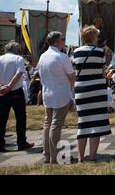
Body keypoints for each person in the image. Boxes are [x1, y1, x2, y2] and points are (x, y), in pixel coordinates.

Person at [73, 25, 111, 163]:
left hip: (81, 89)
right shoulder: (100, 51)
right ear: (94, 37)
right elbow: (103, 72)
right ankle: (93, 156)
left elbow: (75, 71)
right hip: (97, 89)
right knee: (97, 122)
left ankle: (80, 157)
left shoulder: (76, 52)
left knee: (83, 123)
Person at [37, 32, 75, 163]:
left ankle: (47, 154)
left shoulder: (42, 56)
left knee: (48, 123)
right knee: (56, 125)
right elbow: (71, 77)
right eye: (63, 39)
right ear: (57, 41)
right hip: (60, 93)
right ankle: (54, 156)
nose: (64, 41)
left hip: (48, 92)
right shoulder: (62, 56)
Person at [0, 41, 34, 152]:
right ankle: (21, 142)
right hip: (15, 91)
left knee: (2, 119)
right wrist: (9, 86)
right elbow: (19, 73)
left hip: (2, 92)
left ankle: (0, 144)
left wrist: (1, 86)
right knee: (20, 118)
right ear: (17, 50)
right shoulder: (18, 59)